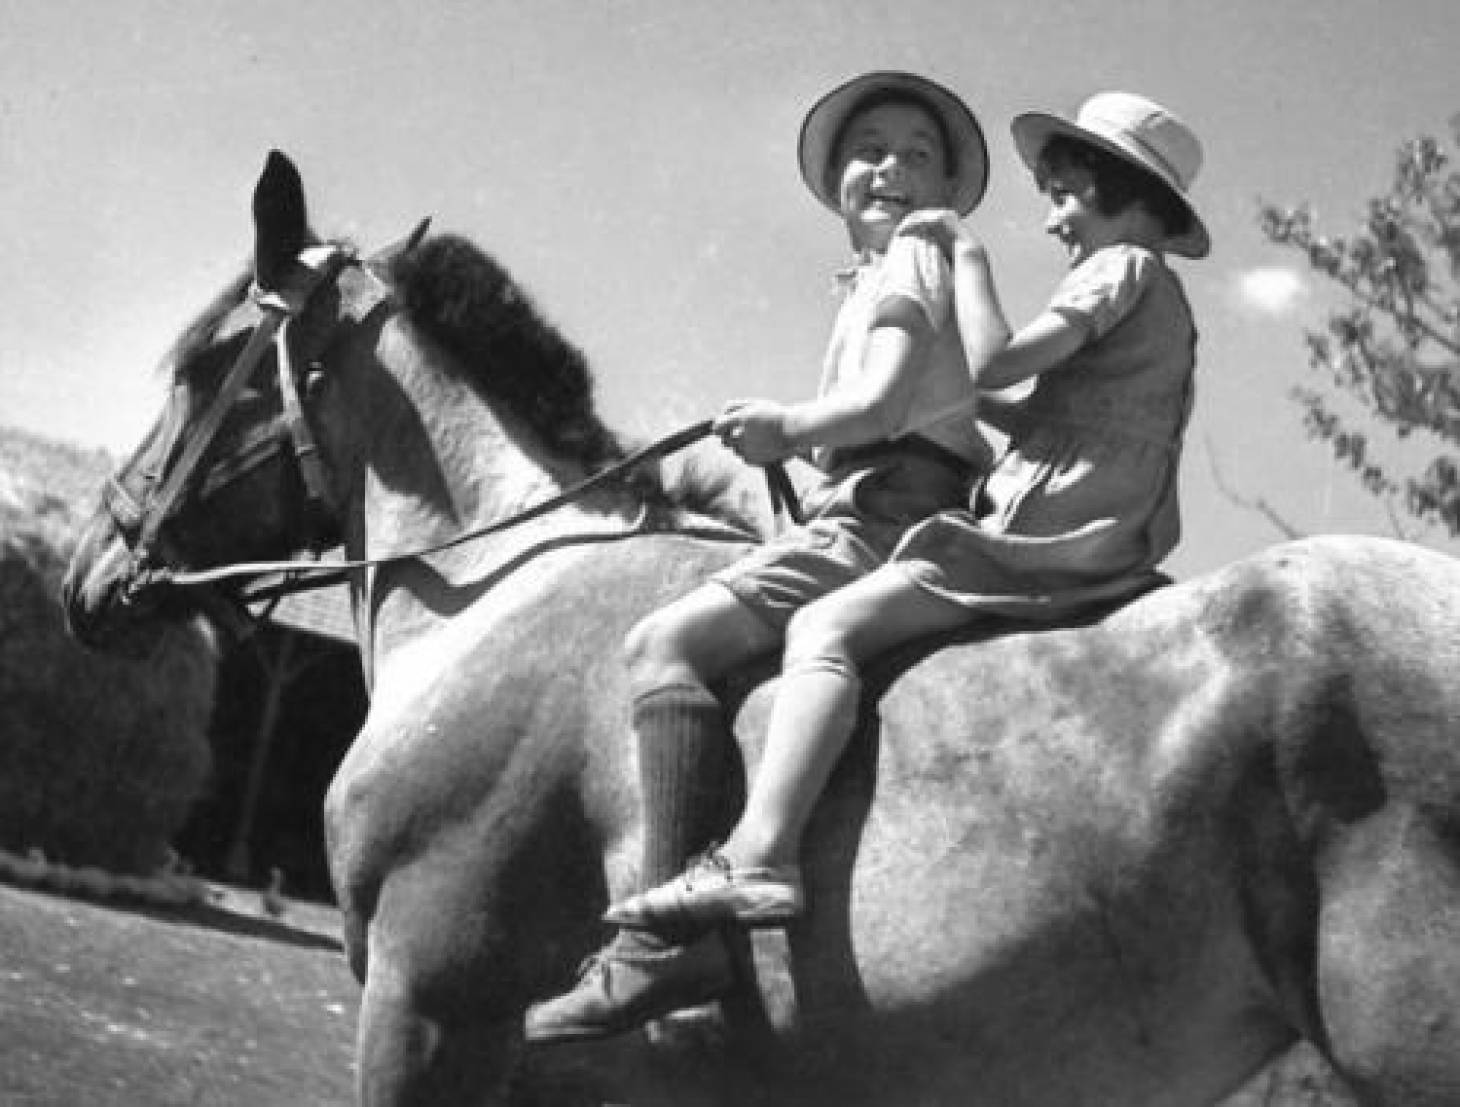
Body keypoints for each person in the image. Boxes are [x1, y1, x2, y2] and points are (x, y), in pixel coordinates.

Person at [524, 70, 995, 1043]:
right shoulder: (885, 276)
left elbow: (875, 406)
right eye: (870, 149)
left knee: (662, 644)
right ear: (836, 181)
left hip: (881, 516)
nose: (891, 168)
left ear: (944, 189)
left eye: (917, 153)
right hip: (882, 500)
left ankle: (664, 947)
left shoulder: (911, 255)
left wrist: (785, 426)